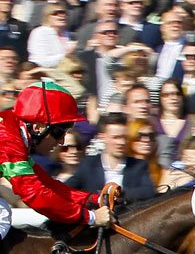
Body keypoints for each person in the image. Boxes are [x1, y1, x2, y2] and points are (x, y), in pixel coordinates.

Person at [0, 81, 113, 240]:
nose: (61, 142)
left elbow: (46, 184)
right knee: (2, 215)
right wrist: (91, 217)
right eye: (59, 132)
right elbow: (37, 196)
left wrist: (93, 199)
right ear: (38, 127)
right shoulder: (7, 139)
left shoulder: (12, 129)